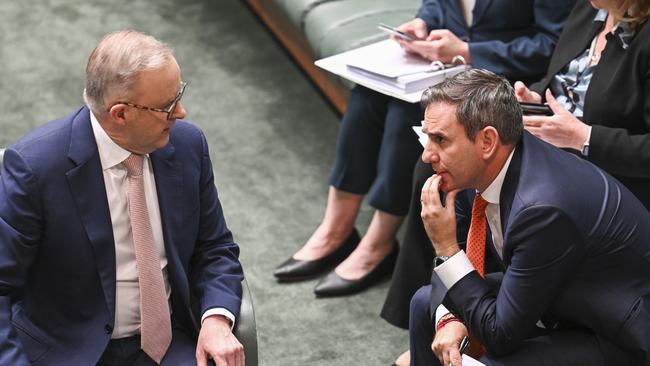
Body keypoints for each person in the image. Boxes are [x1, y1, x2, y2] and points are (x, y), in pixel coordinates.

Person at [274, 0, 576, 298]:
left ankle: (378, 243)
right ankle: (336, 228)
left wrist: (468, 51)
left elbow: (553, 45)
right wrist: (422, 25)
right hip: (442, 65)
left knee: (410, 110)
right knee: (368, 94)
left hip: (497, 75)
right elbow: (437, 4)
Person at [383, 0, 650, 331]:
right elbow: (560, 85)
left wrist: (584, 136)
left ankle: (482, 306)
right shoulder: (590, 9)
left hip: (601, 167)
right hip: (546, 137)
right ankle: (440, 316)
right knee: (437, 170)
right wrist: (533, 99)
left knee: (477, 178)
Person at [0, 30, 245, 365]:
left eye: (179, 95)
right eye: (167, 106)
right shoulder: (34, 169)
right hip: (68, 352)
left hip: (170, 344)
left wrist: (216, 319)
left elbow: (215, 248)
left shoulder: (188, 146)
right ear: (120, 113)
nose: (182, 113)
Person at [408, 69, 650, 365]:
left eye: (440, 140)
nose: (427, 155)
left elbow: (500, 334)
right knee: (426, 305)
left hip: (615, 335)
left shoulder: (542, 210)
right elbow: (469, 265)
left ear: (487, 142)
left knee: (494, 360)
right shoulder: (477, 169)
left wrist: (446, 249)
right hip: (556, 295)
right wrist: (452, 318)